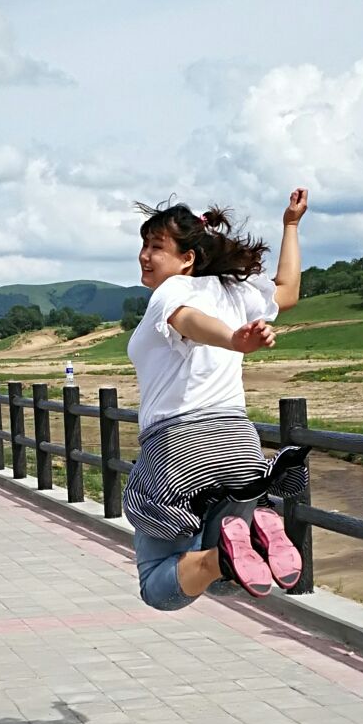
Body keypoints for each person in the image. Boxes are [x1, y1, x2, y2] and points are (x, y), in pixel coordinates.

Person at [124, 189, 308, 608]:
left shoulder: (171, 292)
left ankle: (227, 551)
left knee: (158, 587)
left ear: (187, 258)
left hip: (179, 448)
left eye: (157, 247)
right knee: (231, 579)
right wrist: (292, 226)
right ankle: (264, 522)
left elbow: (189, 322)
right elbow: (288, 290)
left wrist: (233, 340)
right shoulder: (234, 291)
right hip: (240, 444)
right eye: (144, 245)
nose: (144, 255)